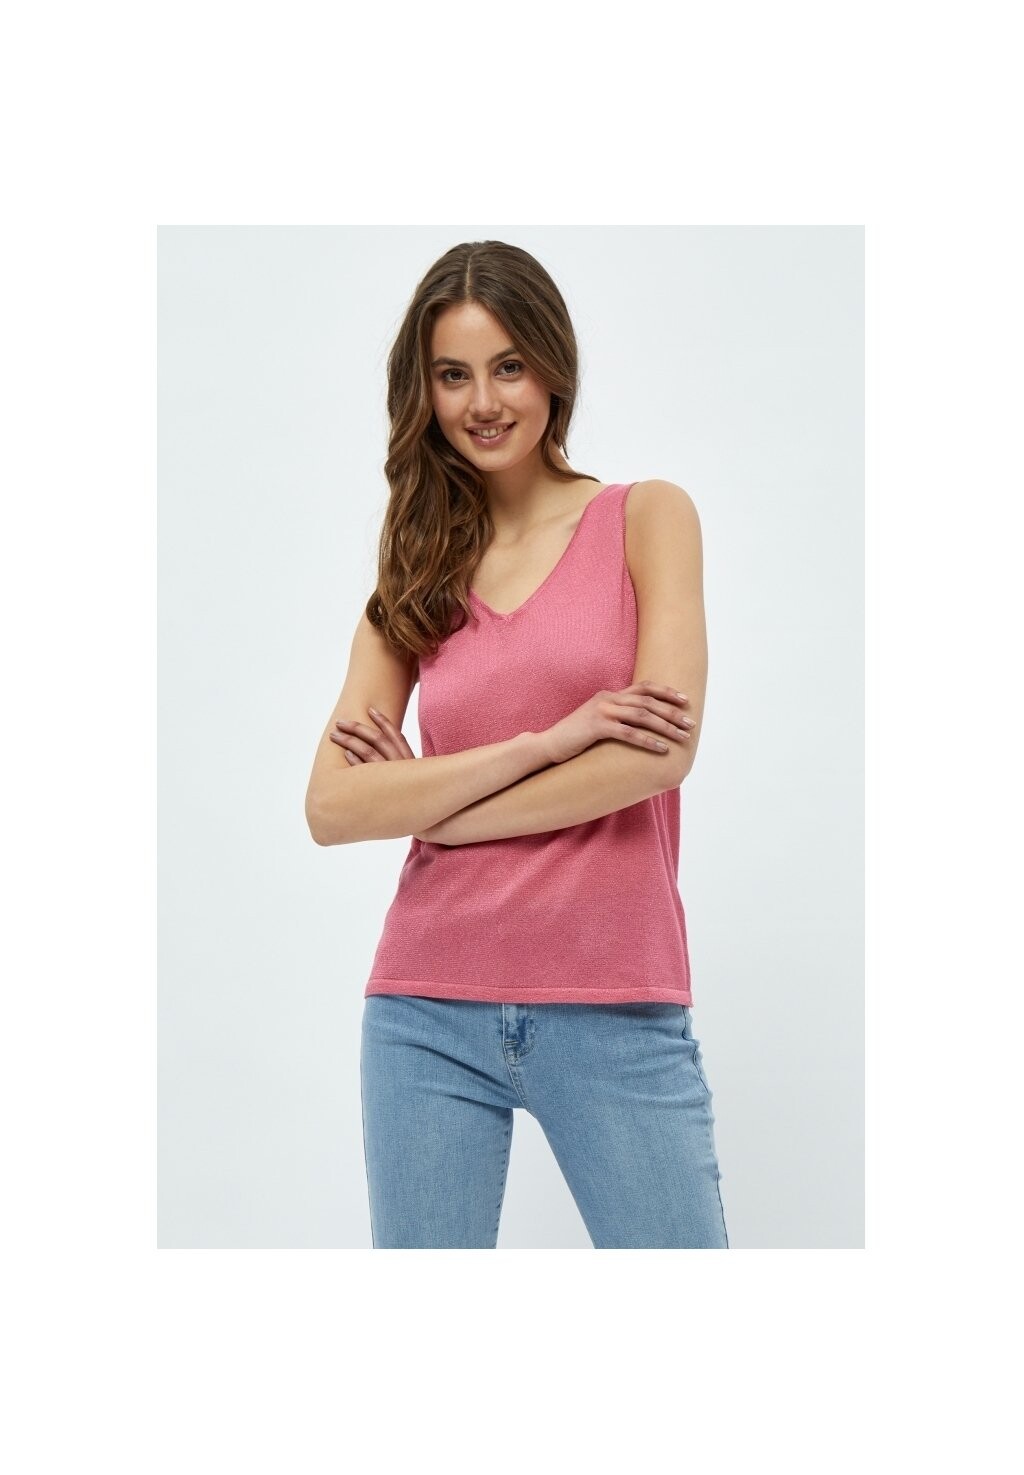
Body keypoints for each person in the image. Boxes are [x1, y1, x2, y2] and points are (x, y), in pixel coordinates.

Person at [304, 239, 729, 1249]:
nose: (484, 402)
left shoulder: (646, 517)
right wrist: (547, 741)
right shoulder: (416, 569)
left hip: (614, 1003)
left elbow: (659, 752)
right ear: (424, 391)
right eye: (453, 374)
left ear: (552, 367)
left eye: (508, 366)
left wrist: (436, 805)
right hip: (424, 1009)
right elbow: (332, 807)